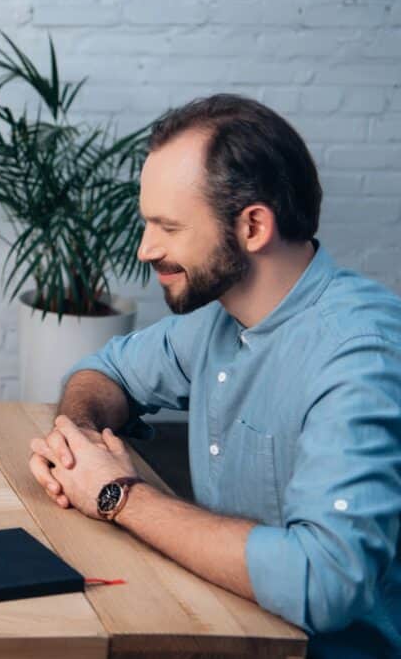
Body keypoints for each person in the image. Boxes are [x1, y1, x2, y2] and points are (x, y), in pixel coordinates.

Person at [27, 94, 400, 658]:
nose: (145, 247)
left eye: (167, 227)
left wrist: (119, 496)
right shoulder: (217, 319)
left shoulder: (359, 355)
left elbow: (326, 583)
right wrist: (79, 443)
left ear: (252, 226)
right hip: (214, 623)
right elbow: (104, 371)